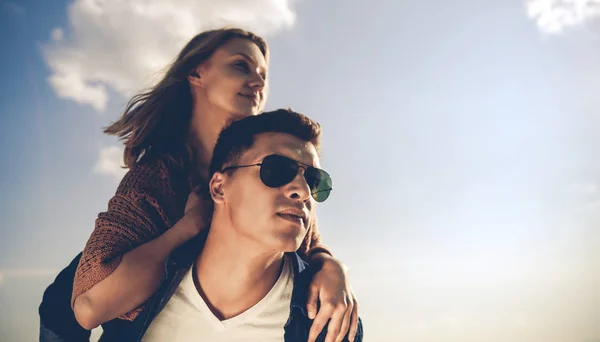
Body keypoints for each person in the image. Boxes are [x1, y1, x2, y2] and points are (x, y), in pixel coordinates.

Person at [39, 28, 359, 342]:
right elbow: (89, 304)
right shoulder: (157, 176)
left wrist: (334, 267)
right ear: (196, 73)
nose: (259, 81)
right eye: (240, 65)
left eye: (263, 73)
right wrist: (189, 225)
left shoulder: (285, 174)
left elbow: (309, 243)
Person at [100, 109, 364, 341]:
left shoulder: (329, 322)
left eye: (314, 180)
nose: (303, 190)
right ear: (219, 187)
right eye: (276, 169)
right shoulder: (141, 287)